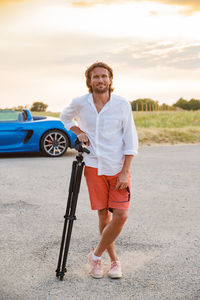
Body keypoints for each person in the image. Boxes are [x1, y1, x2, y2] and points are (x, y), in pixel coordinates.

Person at [60, 62, 138, 279]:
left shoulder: (122, 104)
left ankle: (95, 255)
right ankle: (113, 261)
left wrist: (125, 171)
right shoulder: (80, 103)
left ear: (111, 80)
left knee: (120, 216)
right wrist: (78, 130)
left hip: (118, 168)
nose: (100, 80)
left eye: (104, 76)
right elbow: (64, 118)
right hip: (93, 166)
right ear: (90, 81)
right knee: (103, 215)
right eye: (96, 77)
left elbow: (130, 138)